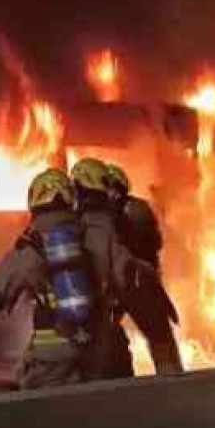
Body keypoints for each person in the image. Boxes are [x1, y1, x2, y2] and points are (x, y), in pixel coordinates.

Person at [0, 168, 103, 389]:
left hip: (55, 343)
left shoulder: (33, 243)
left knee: (39, 405)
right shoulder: (90, 233)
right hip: (94, 338)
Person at [69, 156, 147, 380]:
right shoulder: (109, 229)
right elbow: (126, 274)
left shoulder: (64, 230)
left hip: (70, 331)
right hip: (104, 327)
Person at [106, 162, 184, 374]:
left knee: (156, 336)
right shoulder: (134, 209)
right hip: (137, 281)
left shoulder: (121, 213)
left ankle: (170, 378)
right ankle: (172, 377)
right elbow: (155, 243)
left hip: (128, 282)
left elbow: (150, 243)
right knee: (159, 337)